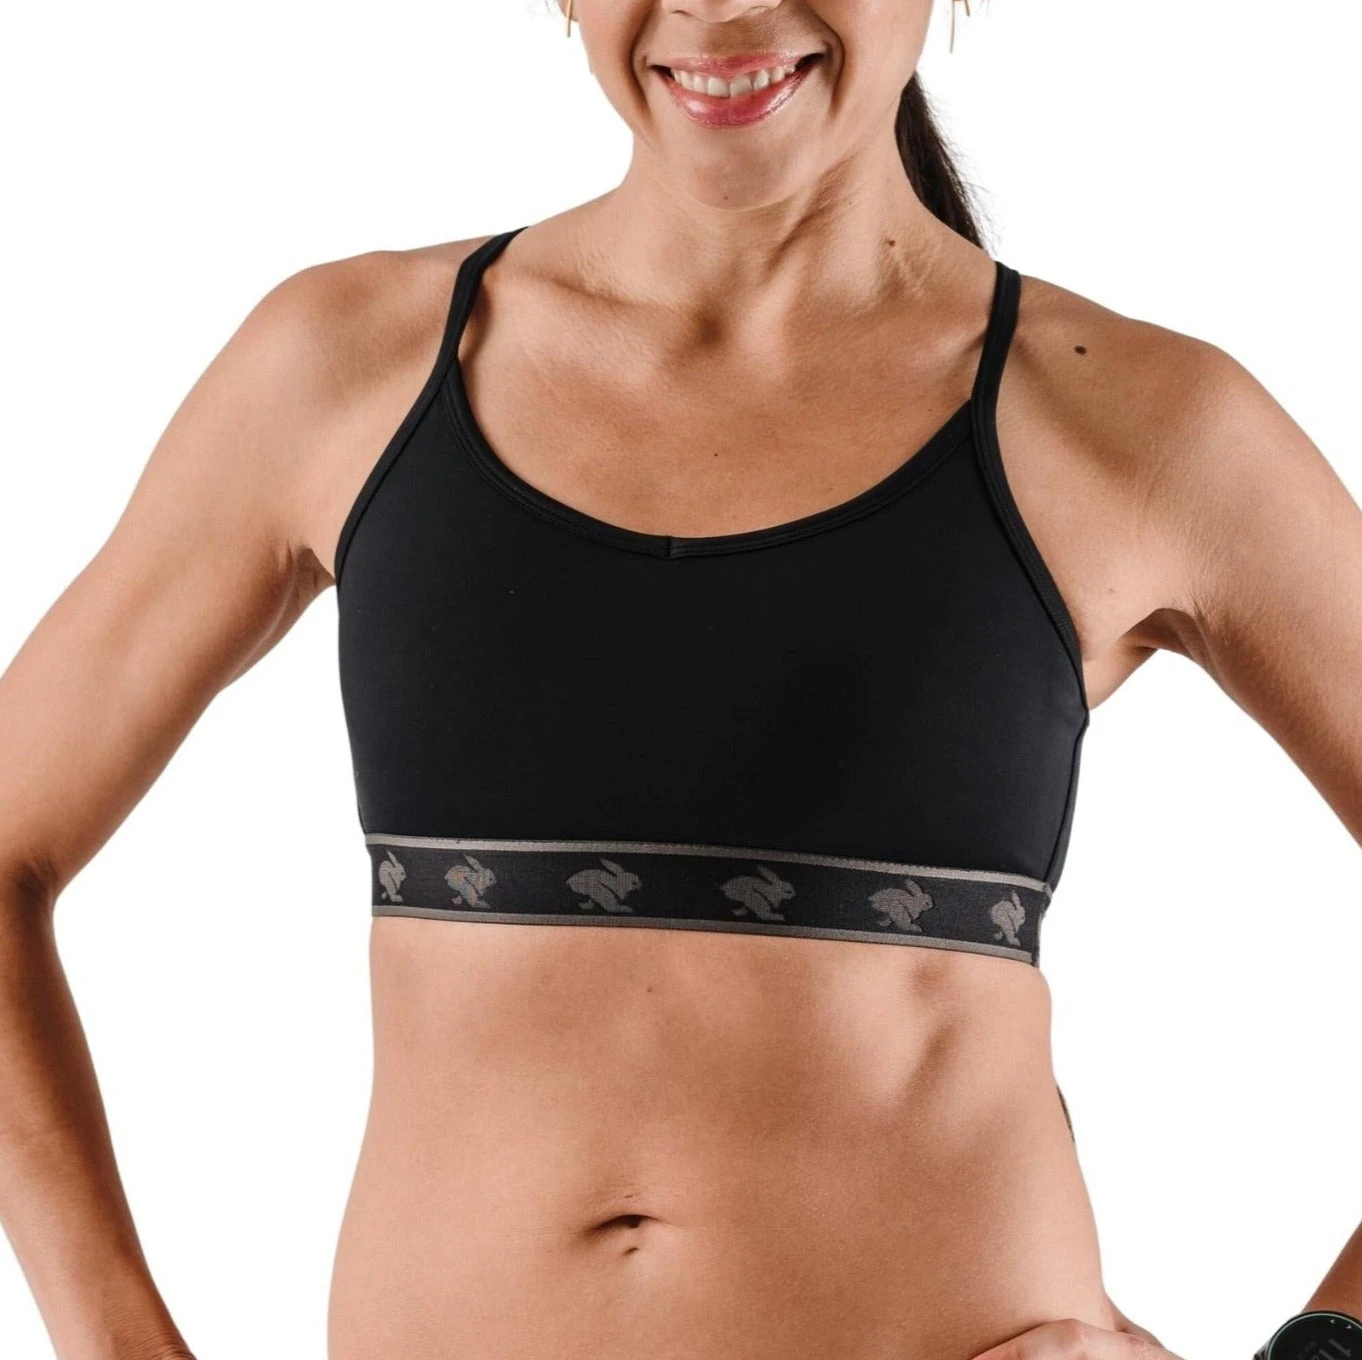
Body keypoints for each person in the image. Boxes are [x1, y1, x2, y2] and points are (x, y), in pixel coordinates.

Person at [1, 1, 1360, 1357]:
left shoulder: (1141, 424)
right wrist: (115, 1343)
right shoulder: (348, 366)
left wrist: (1326, 1346)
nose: (716, 7)